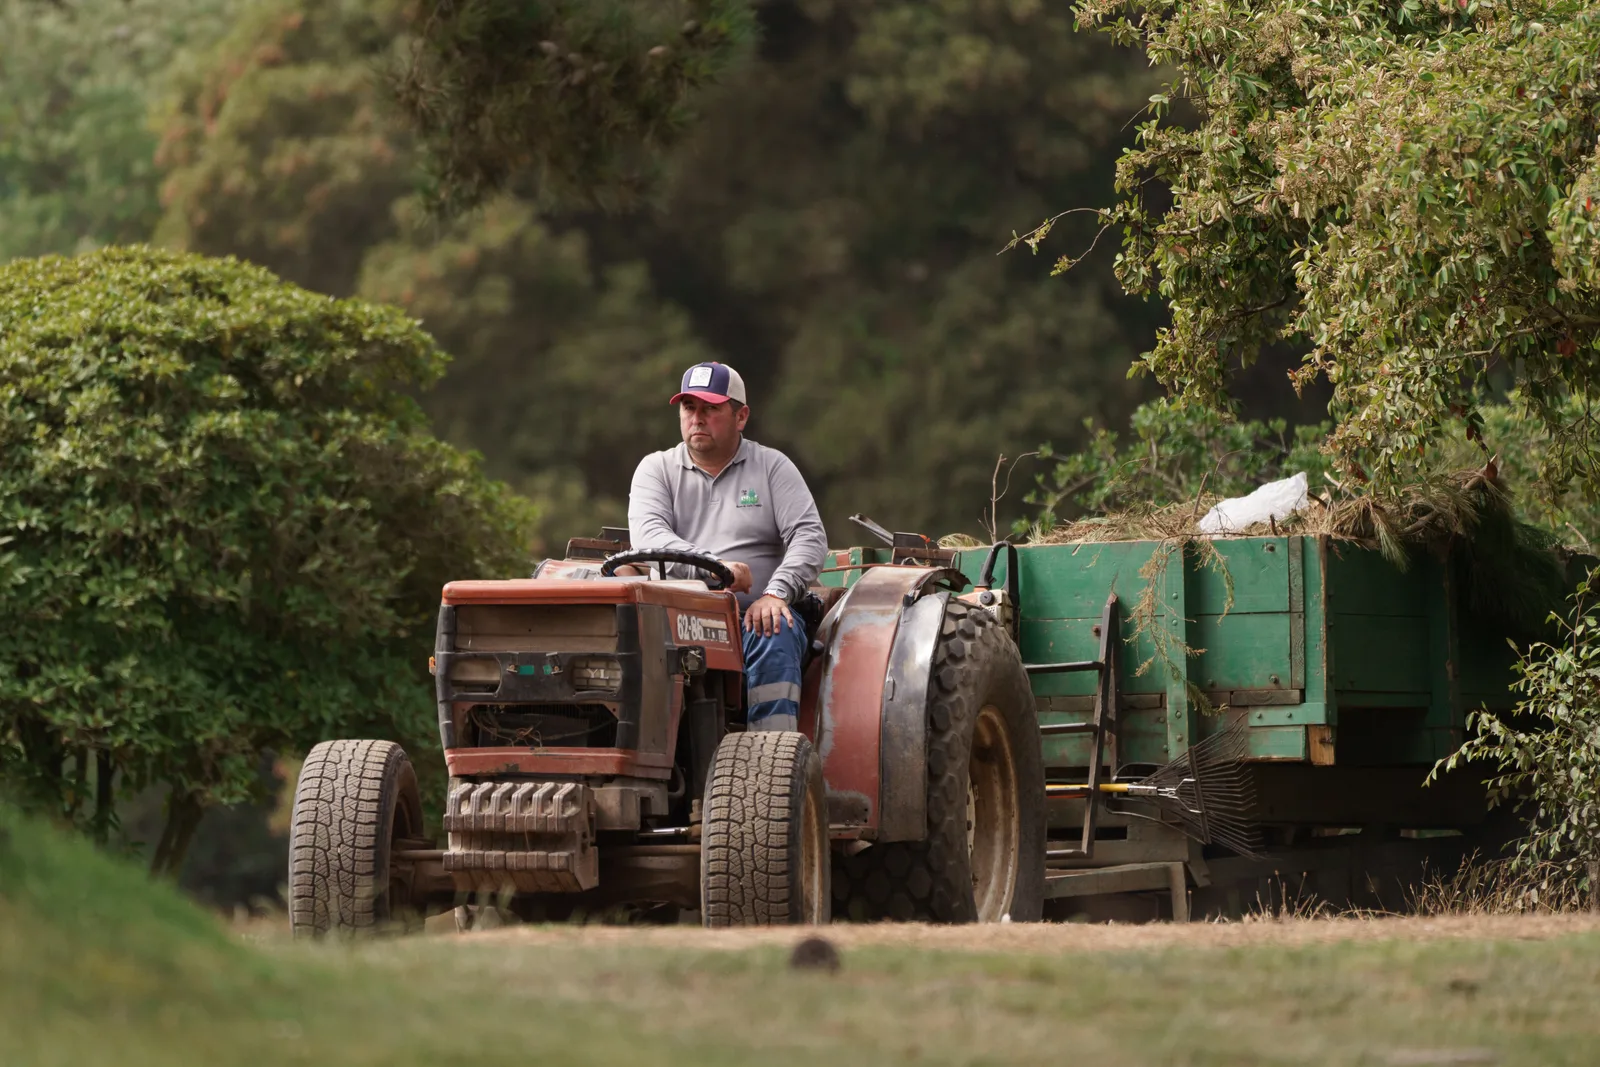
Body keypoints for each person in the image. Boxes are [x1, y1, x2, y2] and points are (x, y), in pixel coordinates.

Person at [625, 361, 828, 732]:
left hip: (753, 613)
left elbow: (808, 537)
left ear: (741, 416)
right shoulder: (656, 469)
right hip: (677, 614)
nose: (697, 418)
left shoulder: (772, 467)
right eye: (689, 408)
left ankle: (772, 751)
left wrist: (776, 594)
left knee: (773, 627)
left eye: (711, 408)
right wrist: (716, 567)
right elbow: (650, 536)